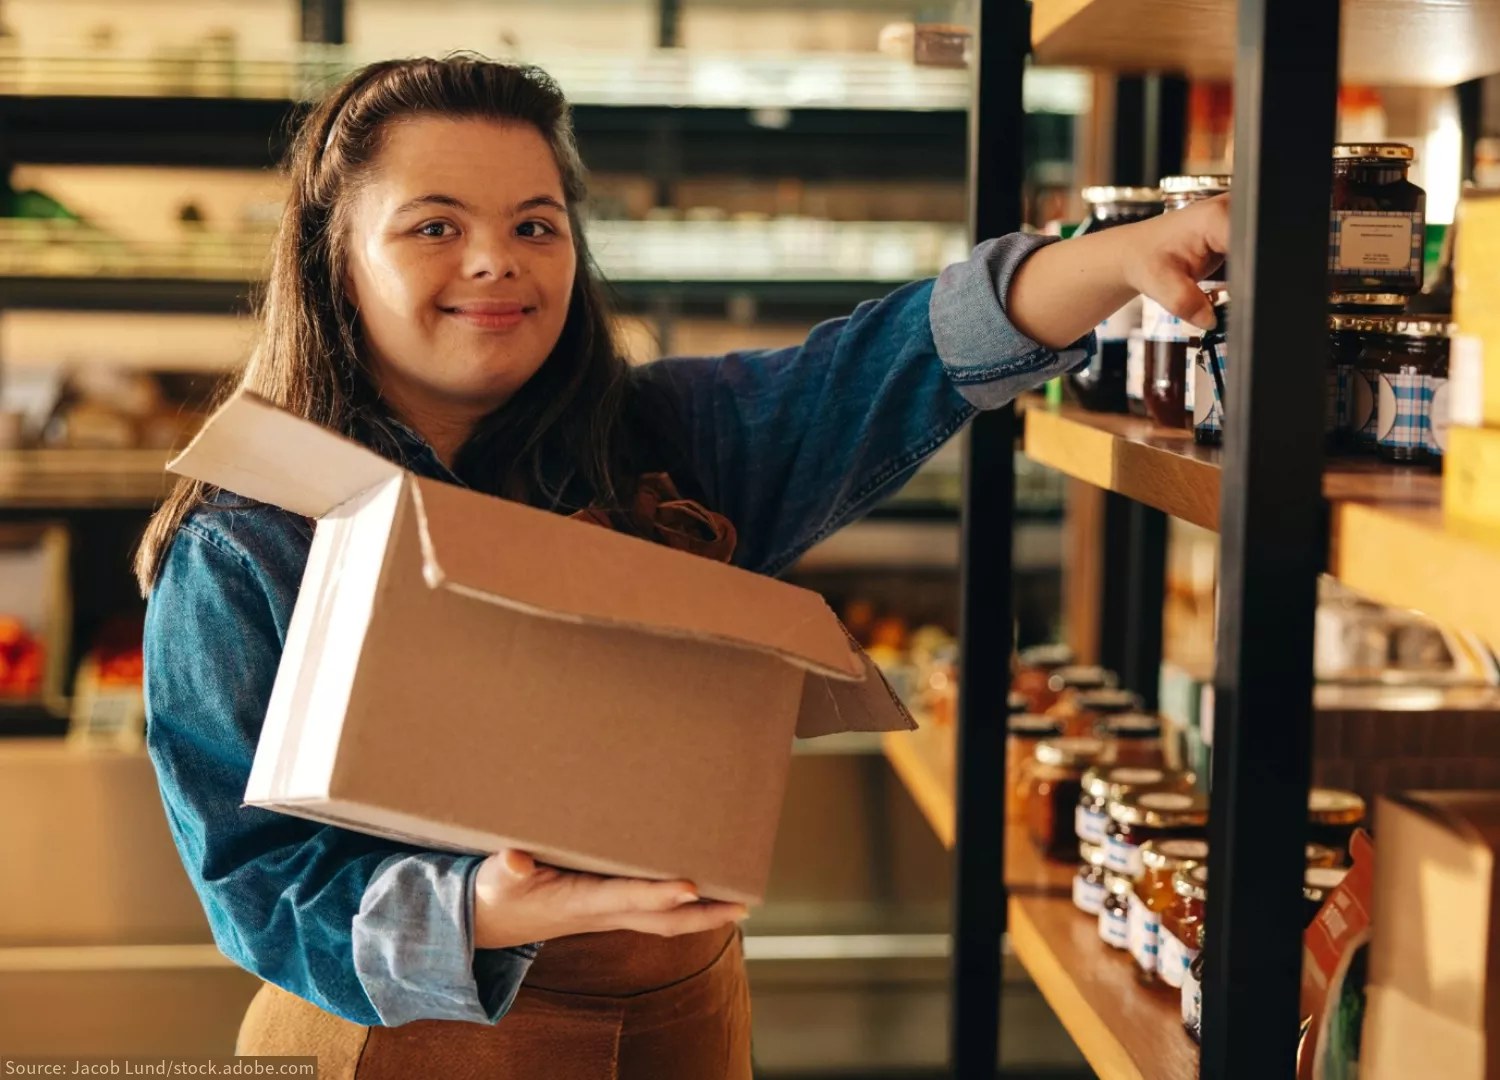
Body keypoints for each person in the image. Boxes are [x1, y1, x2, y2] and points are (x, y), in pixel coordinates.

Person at [138, 55, 1228, 1080]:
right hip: (408, 1042)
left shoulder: (662, 439)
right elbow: (255, 884)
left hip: (683, 1021)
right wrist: (497, 905)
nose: (495, 261)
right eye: (435, 225)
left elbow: (895, 362)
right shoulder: (249, 538)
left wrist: (1122, 255)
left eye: (536, 223)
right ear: (334, 255)